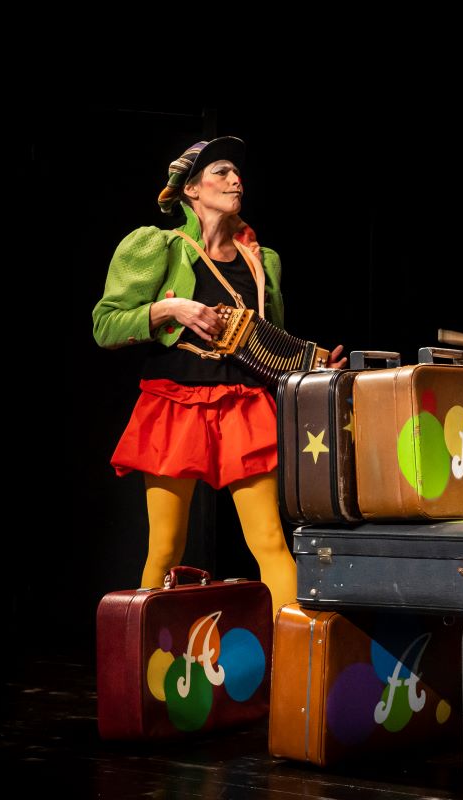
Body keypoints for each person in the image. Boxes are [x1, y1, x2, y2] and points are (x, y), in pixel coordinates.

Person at [93, 136, 344, 617]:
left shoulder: (261, 261)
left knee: (270, 539)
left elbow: (272, 344)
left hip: (244, 405)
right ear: (191, 189)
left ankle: (296, 652)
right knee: (165, 547)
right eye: (221, 172)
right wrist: (171, 309)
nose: (235, 180)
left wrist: (313, 369)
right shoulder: (159, 247)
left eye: (237, 173)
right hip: (174, 402)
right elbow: (105, 325)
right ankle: (146, 650)